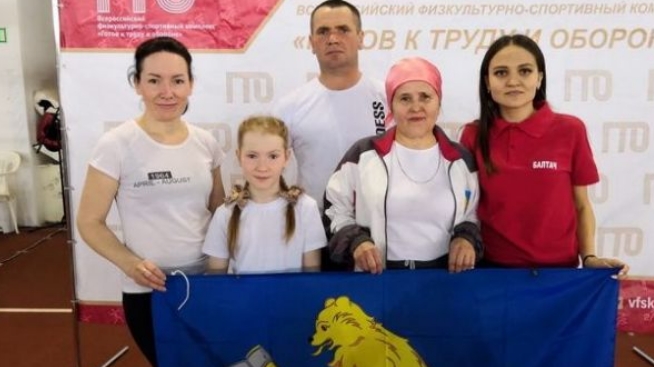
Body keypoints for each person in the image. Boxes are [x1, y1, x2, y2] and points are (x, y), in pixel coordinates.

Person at [75, 36, 225, 367]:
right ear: (137, 83)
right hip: (151, 293)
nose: (167, 92)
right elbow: (89, 222)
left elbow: (218, 211)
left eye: (177, 80)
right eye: (154, 80)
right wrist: (130, 263)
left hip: (204, 287)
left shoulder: (205, 143)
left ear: (191, 84)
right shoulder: (117, 144)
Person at [459, 34, 628, 275]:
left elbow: (581, 205)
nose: (513, 81)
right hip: (492, 274)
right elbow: (465, 208)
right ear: (487, 82)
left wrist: (589, 257)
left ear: (539, 78)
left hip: (559, 274)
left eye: (525, 71)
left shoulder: (570, 130)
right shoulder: (472, 135)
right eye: (501, 73)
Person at [325, 57, 481, 274]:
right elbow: (334, 209)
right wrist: (356, 242)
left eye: (425, 97)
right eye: (405, 98)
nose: (416, 107)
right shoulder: (363, 154)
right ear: (391, 105)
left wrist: (466, 238)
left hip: (445, 278)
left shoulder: (461, 159)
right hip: (378, 279)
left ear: (439, 102)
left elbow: (474, 214)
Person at [272, 0, 387, 210]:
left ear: (360, 38)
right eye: (323, 32)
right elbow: (268, 172)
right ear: (312, 42)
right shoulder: (290, 107)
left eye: (343, 30)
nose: (333, 39)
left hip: (378, 223)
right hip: (314, 225)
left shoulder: (387, 99)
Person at [202, 116, 327, 274]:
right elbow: (216, 279)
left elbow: (312, 276)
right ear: (239, 156)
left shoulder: (306, 208)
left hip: (293, 291)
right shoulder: (225, 213)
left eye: (273, 156)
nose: (262, 167)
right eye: (252, 156)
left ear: (287, 157)